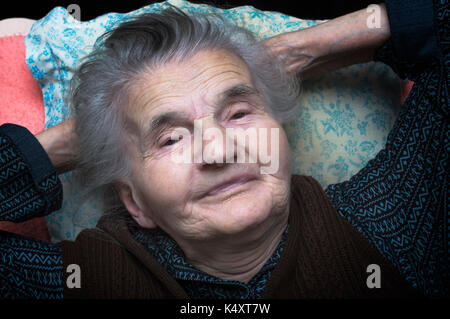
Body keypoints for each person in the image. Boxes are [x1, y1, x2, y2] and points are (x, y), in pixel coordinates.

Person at [0, 0, 447, 299]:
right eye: (170, 138)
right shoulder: (83, 283)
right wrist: (59, 145)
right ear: (134, 201)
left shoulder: (391, 223)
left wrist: (300, 51)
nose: (218, 150)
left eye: (238, 113)